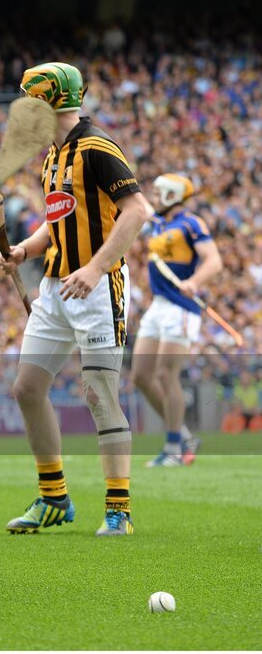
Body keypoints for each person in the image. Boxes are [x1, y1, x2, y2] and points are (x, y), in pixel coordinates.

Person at [0, 63, 153, 537]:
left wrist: (95, 267)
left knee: (98, 392)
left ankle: (119, 510)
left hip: (96, 289)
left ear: (49, 102)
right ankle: (53, 498)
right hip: (55, 288)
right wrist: (27, 248)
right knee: (27, 389)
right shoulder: (53, 154)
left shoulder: (97, 147)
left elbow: (137, 210)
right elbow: (60, 218)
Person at [132, 174, 222, 467]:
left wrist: (195, 281)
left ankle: (173, 448)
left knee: (164, 374)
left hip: (181, 308)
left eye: (159, 194)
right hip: (158, 305)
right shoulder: (158, 224)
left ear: (173, 195)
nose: (155, 198)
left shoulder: (191, 224)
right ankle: (183, 436)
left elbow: (214, 260)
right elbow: (138, 208)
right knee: (141, 376)